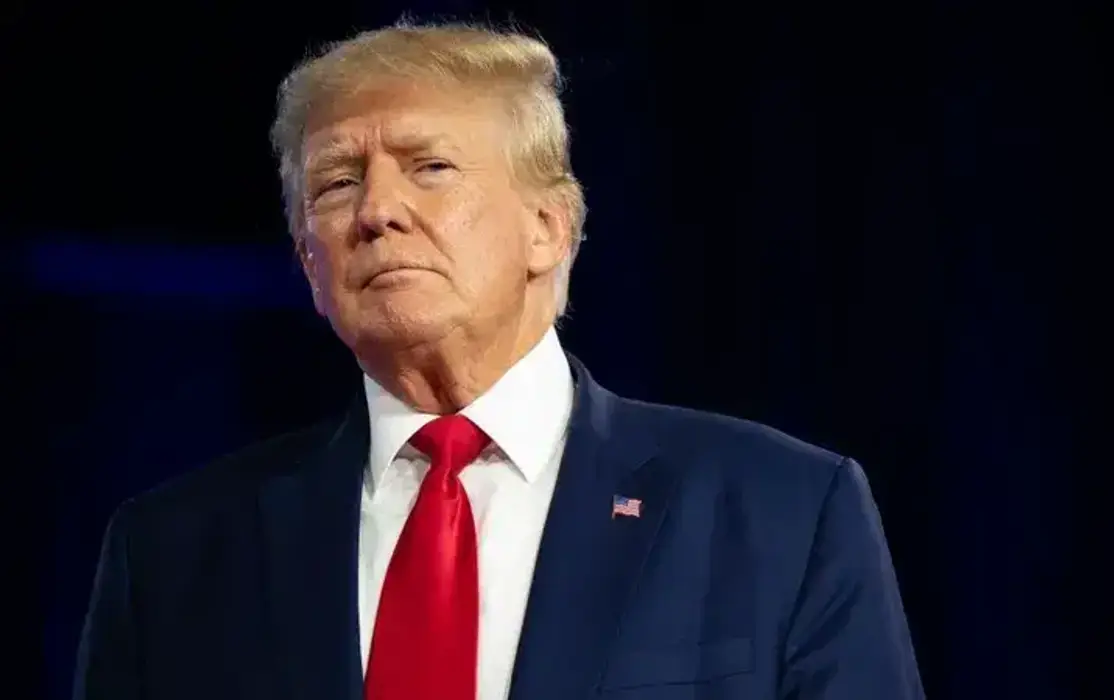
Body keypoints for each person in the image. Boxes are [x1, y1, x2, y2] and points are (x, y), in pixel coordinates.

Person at [73, 21, 924, 700]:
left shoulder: (781, 509)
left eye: (429, 167)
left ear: (547, 228)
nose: (376, 211)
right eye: (336, 184)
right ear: (309, 262)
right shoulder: (174, 552)